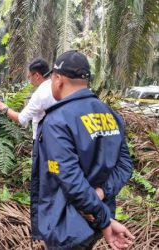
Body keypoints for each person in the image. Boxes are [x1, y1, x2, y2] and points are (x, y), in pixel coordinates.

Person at [31, 50, 134, 250]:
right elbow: (124, 165)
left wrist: (102, 218)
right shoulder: (111, 115)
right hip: (96, 222)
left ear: (58, 79)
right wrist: (101, 195)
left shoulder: (57, 120)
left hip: (67, 227)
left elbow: (70, 178)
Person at [0, 58, 56, 141]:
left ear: (37, 76)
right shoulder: (56, 88)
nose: (29, 79)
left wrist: (4, 108)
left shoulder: (40, 94)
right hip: (55, 137)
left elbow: (21, 119)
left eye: (29, 76)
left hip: (42, 140)